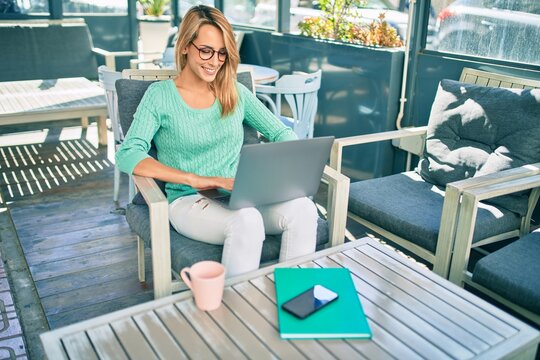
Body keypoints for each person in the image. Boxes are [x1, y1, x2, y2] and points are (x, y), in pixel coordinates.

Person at [116, 5, 318, 277]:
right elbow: (128, 153)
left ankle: (296, 305)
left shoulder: (233, 91)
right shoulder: (160, 95)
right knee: (247, 222)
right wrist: (194, 179)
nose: (214, 61)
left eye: (222, 53)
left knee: (304, 209)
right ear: (186, 46)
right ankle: (235, 313)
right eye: (206, 50)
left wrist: (281, 170)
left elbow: (281, 132)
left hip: (241, 194)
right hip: (189, 202)